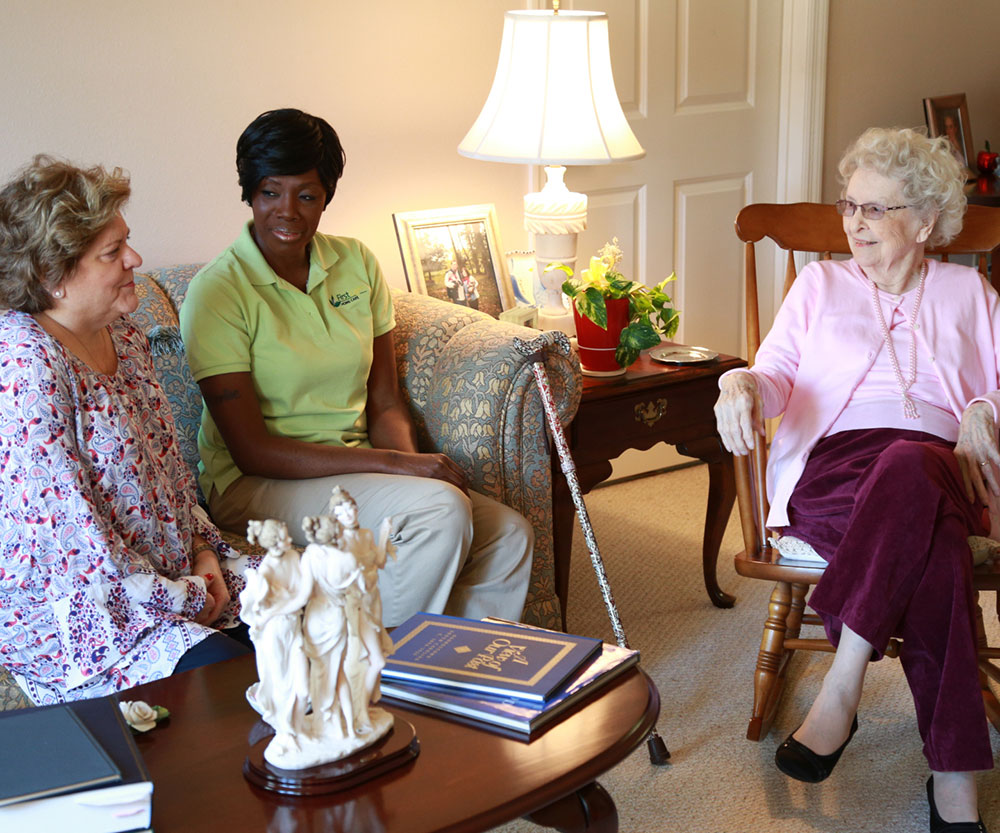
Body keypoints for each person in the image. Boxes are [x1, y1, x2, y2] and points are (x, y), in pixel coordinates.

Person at [715, 127, 997, 832]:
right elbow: (774, 374)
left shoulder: (970, 291)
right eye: (849, 205)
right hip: (836, 470)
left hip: (944, 464)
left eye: (875, 208)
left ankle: (843, 682)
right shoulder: (819, 285)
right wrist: (738, 384)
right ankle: (955, 779)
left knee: (910, 466)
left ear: (924, 222)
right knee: (938, 554)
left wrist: (984, 409)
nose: (854, 222)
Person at [178, 108, 533, 629]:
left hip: (357, 468)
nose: (287, 211)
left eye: (306, 195)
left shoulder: (356, 263)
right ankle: (370, 660)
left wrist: (414, 469)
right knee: (439, 513)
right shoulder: (218, 291)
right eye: (271, 192)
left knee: (508, 533)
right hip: (253, 484)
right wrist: (400, 469)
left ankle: (454, 668)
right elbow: (251, 451)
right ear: (249, 192)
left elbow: (385, 402)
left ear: (327, 196)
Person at [0, 156, 258, 706]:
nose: (134, 259)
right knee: (240, 685)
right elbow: (75, 544)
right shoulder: (25, 361)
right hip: (92, 614)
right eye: (112, 252)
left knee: (314, 612)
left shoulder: (125, 332)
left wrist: (202, 553)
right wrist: (190, 596)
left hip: (170, 575)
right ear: (51, 276)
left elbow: (169, 472)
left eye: (127, 242)